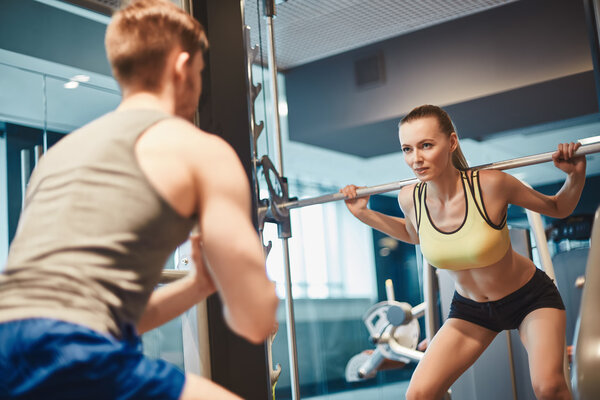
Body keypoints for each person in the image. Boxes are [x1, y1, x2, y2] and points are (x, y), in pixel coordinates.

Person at [0, 0, 278, 399]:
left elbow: (96, 320)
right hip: (68, 349)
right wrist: (263, 292)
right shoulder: (200, 149)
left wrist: (199, 285)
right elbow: (253, 321)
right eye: (200, 74)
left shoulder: (59, 156)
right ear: (182, 68)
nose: (198, 89)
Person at [341, 104, 586, 400]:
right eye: (407, 149)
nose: (415, 159)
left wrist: (574, 177)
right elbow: (412, 234)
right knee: (419, 394)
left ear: (452, 142)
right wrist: (363, 215)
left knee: (549, 387)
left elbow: (558, 208)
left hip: (529, 300)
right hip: (471, 310)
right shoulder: (410, 199)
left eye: (426, 145)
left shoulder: (491, 185)